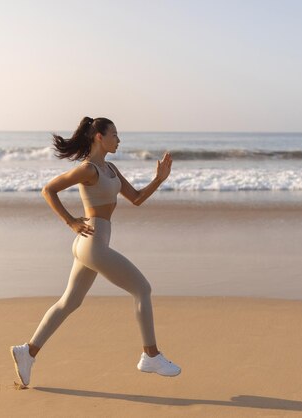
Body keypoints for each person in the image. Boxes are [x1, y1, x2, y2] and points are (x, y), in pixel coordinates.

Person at [10, 116, 181, 387]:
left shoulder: (110, 168)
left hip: (93, 243)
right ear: (99, 137)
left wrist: (158, 179)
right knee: (142, 289)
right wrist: (71, 222)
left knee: (69, 302)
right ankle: (151, 355)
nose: (119, 139)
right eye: (114, 134)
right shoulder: (89, 169)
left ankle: (27, 352)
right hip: (92, 242)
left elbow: (136, 198)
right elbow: (48, 190)